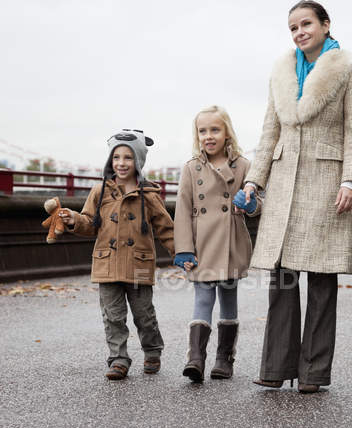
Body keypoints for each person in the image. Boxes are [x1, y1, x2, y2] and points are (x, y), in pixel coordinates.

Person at [238, 0, 352, 393]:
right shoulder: (281, 74)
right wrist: (253, 182)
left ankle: (313, 373)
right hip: (283, 186)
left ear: (326, 25)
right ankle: (276, 367)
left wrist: (351, 181)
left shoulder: (350, 71)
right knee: (283, 278)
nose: (299, 32)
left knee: (322, 280)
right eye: (293, 27)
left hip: (326, 185)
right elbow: (268, 134)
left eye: (306, 23)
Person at [59, 129, 175, 380]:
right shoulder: (99, 191)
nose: (121, 163)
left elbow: (166, 228)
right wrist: (73, 220)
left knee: (144, 315)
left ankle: (152, 350)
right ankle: (118, 359)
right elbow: (90, 223)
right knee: (112, 316)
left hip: (139, 264)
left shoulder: (149, 194)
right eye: (116, 157)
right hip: (107, 263)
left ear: (139, 161)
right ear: (110, 160)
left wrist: (181, 254)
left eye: (128, 158)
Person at [174, 106, 261, 383]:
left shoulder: (244, 166)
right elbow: (182, 210)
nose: (208, 136)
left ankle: (224, 359)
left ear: (227, 133)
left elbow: (260, 203)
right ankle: (196, 358)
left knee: (228, 299)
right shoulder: (191, 168)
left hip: (231, 242)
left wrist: (250, 205)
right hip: (202, 243)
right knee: (202, 297)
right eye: (202, 131)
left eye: (215, 130)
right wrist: (184, 248)